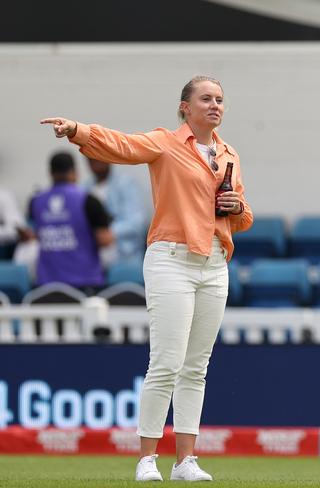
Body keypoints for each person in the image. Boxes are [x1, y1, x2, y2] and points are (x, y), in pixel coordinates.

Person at [41, 75, 254, 482]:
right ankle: (147, 458)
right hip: (171, 258)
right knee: (166, 363)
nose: (215, 105)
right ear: (184, 108)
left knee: (196, 367)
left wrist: (236, 205)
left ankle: (185, 461)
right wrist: (78, 130)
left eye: (220, 100)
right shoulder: (165, 142)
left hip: (213, 261)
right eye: (206, 99)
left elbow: (243, 218)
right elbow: (122, 145)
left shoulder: (229, 154)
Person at [29, 152, 114, 293]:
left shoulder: (35, 201)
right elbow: (105, 240)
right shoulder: (89, 200)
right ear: (74, 172)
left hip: (46, 284)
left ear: (50, 173)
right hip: (85, 283)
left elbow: (34, 234)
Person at [85, 157, 148, 265]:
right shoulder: (85, 188)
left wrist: (110, 233)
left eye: (98, 156)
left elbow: (138, 222)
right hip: (93, 261)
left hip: (125, 258)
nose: (95, 161)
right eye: (90, 158)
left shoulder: (126, 184)